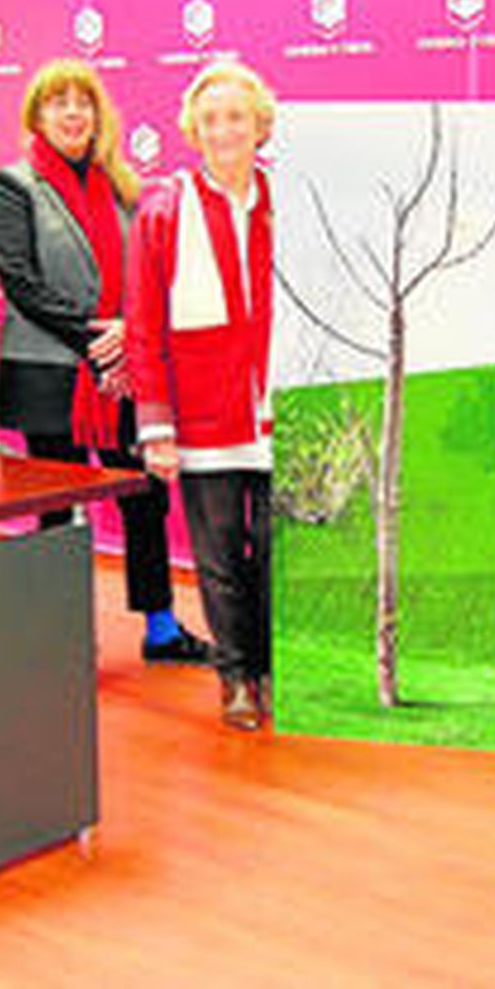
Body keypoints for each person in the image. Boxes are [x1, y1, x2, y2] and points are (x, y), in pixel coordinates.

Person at [0, 59, 205, 665]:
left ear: (99, 114)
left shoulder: (127, 189)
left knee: (145, 496)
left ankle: (162, 629)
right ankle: (57, 635)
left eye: (82, 102)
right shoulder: (12, 186)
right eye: (57, 102)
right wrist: (98, 340)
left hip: (123, 372)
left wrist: (132, 333)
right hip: (49, 372)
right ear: (37, 116)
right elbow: (21, 283)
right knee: (57, 509)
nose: (72, 113)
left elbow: (154, 274)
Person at [127, 61, 277, 731]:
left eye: (236, 116)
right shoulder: (164, 210)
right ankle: (236, 677)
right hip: (200, 416)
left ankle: (273, 667)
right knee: (217, 558)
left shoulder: (292, 201)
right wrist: (156, 429)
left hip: (278, 409)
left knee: (275, 551)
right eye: (210, 119)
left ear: (260, 125)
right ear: (194, 129)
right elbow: (144, 325)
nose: (224, 130)